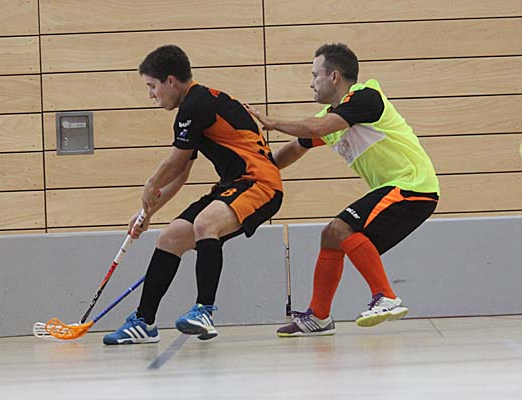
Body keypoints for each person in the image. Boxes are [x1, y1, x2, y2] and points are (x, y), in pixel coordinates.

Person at [246, 43, 440, 337]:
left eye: (315, 75)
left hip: (412, 186)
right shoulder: (332, 117)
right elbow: (295, 148)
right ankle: (319, 317)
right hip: (398, 190)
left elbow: (315, 129)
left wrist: (273, 123)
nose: (311, 82)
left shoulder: (365, 97)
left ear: (334, 76)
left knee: (340, 228)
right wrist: (255, 173)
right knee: (331, 236)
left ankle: (386, 297)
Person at [103, 45, 283, 345]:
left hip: (260, 184)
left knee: (205, 224)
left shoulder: (196, 104)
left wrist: (150, 184)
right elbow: (181, 173)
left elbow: (173, 164)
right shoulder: (195, 106)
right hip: (233, 185)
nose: (151, 95)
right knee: (170, 238)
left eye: (152, 86)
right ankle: (144, 322)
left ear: (171, 81)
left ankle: (204, 311)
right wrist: (147, 213)